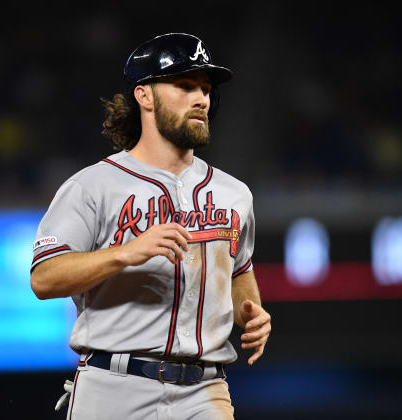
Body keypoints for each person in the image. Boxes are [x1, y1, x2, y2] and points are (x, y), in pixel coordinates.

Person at [31, 33, 271, 420]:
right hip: (113, 385)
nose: (201, 99)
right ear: (144, 96)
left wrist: (252, 313)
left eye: (206, 89)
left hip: (205, 389)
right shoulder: (92, 186)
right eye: (185, 85)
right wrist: (124, 253)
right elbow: (44, 278)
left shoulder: (234, 194)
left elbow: (239, 270)